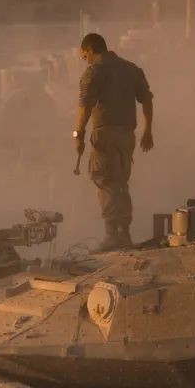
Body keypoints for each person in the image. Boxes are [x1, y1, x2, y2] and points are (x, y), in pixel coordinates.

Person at [74, 32, 154, 248]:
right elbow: (147, 100)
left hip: (104, 134)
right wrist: (148, 132)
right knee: (121, 182)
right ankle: (125, 233)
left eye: (84, 56)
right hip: (127, 135)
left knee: (105, 182)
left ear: (90, 50)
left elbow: (85, 107)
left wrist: (78, 135)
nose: (85, 60)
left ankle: (111, 234)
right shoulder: (131, 69)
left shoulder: (93, 72)